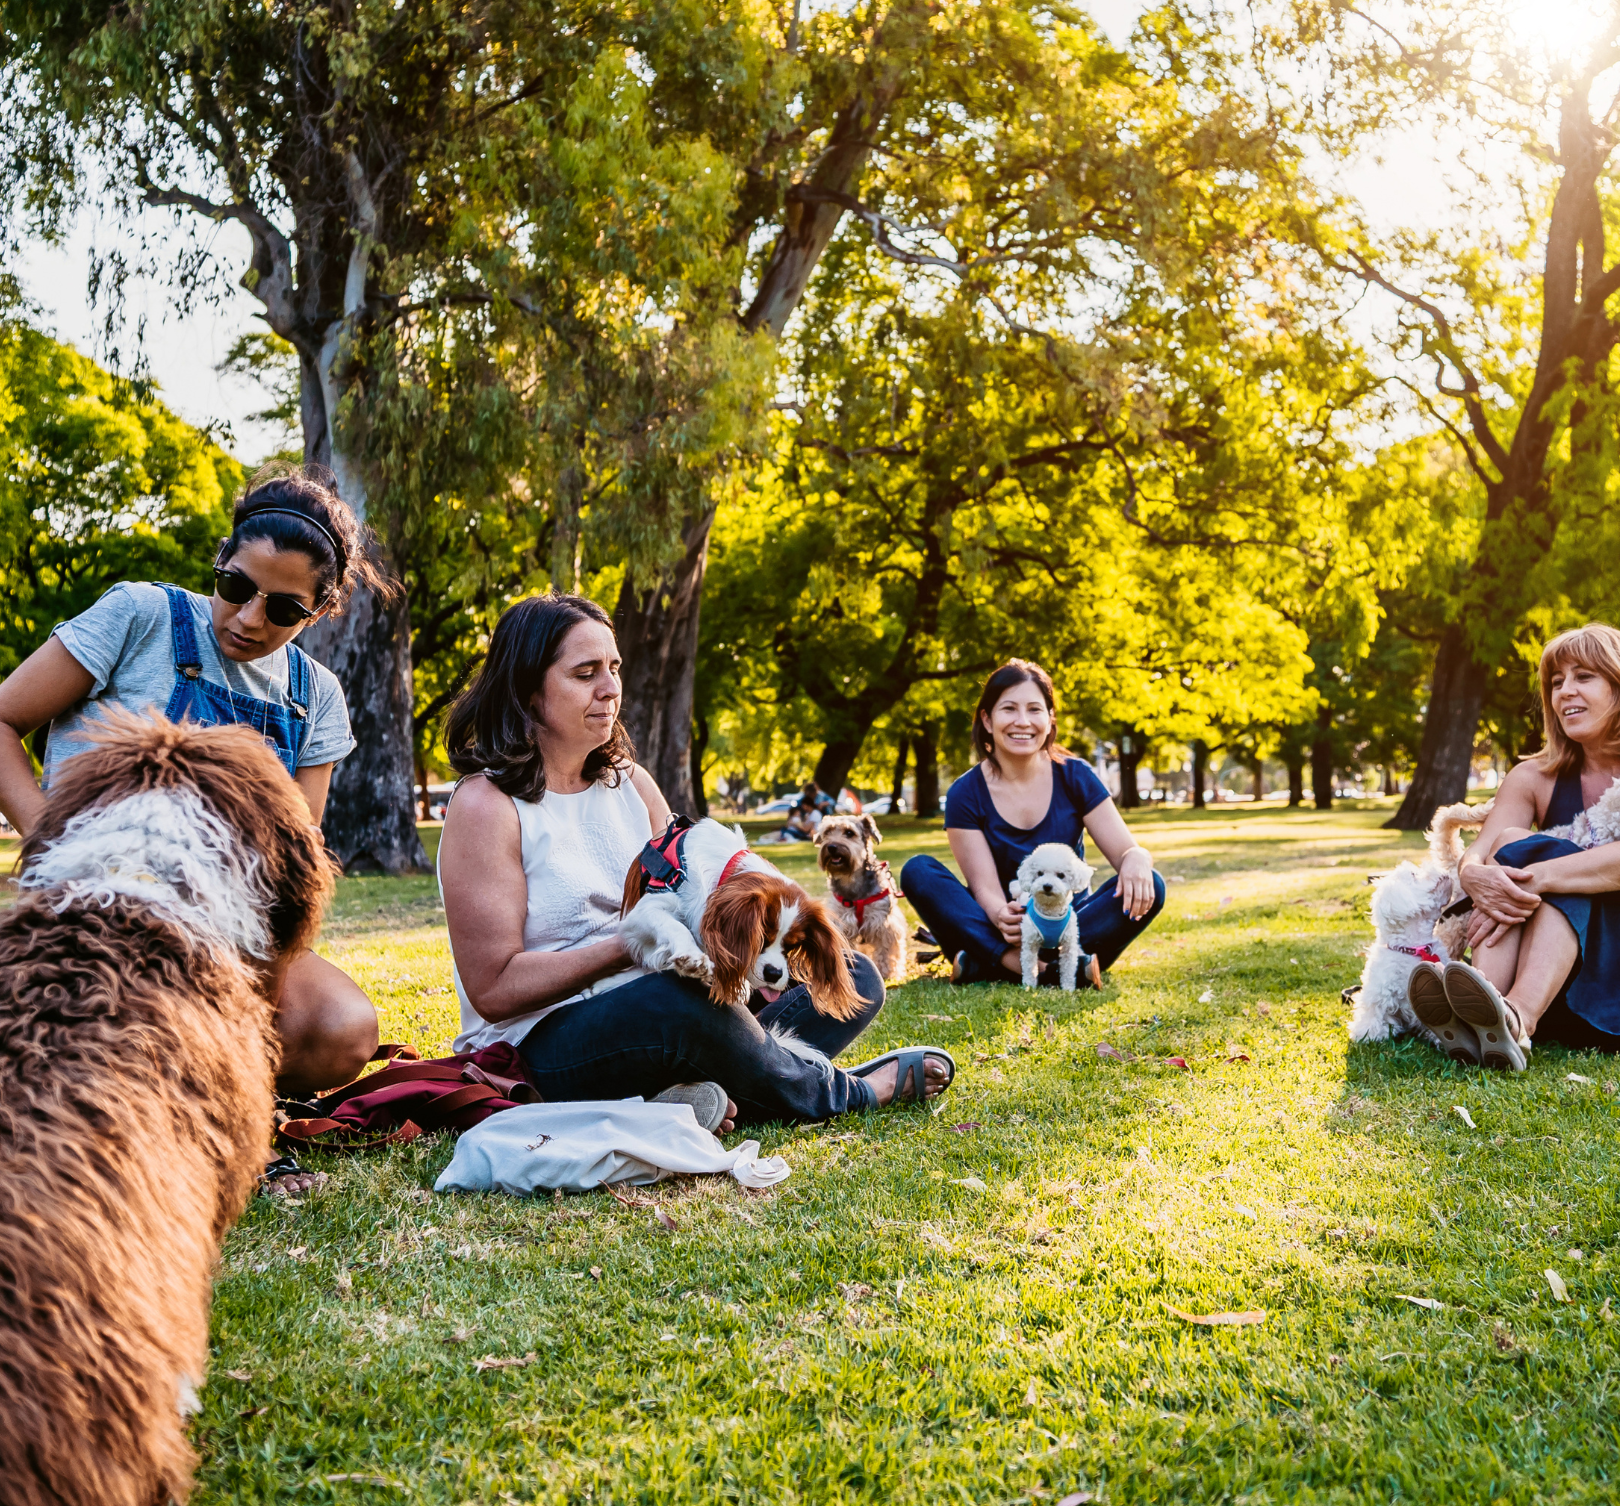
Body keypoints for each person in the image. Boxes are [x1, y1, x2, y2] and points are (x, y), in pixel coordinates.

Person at [436, 593, 953, 1123]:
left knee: (852, 975)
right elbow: (495, 989)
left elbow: (692, 893)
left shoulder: (631, 784)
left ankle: (693, 1096)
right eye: (585, 673)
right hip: (543, 1044)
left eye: (614, 668)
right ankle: (846, 1093)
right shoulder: (486, 805)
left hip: (664, 1004)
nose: (610, 688)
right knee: (681, 1006)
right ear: (526, 689)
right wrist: (632, 945)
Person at [0, 465, 390, 1095]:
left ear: (317, 614)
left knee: (342, 1028)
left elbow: (292, 862)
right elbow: (3, 719)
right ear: (221, 558)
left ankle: (202, 1087)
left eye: (285, 608)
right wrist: (51, 838)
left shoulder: (316, 696)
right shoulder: (139, 616)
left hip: (220, 927)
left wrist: (249, 992)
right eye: (235, 586)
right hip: (98, 903)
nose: (249, 618)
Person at [1414, 624, 1620, 1069]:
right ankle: (1482, 1005)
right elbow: (1484, 850)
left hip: (1612, 984)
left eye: (1584, 676)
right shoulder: (1533, 777)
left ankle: (1516, 1017)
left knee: (1549, 857)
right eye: (1556, 681)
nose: (1565, 691)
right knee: (1511, 843)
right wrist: (1474, 874)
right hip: (1557, 982)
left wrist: (1540, 874)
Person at [900, 659, 1166, 984]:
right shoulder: (965, 792)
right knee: (918, 871)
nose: (1022, 722)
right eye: (1009, 709)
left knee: (1153, 884)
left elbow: (1125, 852)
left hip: (1068, 923)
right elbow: (984, 886)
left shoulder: (1076, 775)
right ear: (987, 719)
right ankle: (1036, 966)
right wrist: (1001, 915)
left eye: (1035, 710)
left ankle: (986, 964)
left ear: (1050, 717)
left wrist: (1137, 858)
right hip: (1001, 927)